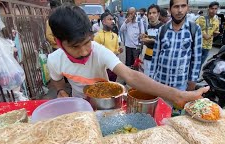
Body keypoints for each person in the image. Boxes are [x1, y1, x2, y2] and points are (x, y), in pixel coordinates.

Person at [47, 3, 209, 108]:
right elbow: (59, 84)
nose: (84, 51)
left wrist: (177, 95)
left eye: (87, 42)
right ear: (59, 42)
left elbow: (131, 76)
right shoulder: (54, 60)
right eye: (75, 46)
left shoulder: (99, 51)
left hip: (106, 105)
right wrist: (62, 93)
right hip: (79, 105)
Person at [149, 0, 203, 92]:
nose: (180, 10)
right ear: (170, 10)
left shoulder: (194, 29)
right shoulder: (163, 29)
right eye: (176, 7)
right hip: (160, 83)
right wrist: (151, 78)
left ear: (187, 8)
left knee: (178, 107)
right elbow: (155, 56)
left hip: (180, 85)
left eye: (183, 6)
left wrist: (192, 81)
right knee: (160, 106)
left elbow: (196, 59)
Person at [94, 12, 123, 81]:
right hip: (103, 69)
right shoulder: (98, 36)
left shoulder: (115, 35)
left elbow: (116, 50)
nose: (112, 21)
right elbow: (95, 54)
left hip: (113, 67)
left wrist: (119, 51)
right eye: (109, 19)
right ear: (103, 22)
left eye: (112, 19)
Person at [141, 4, 163, 76]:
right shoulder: (148, 26)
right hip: (147, 58)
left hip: (158, 61)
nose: (151, 15)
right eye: (149, 13)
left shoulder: (163, 28)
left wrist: (153, 40)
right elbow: (145, 41)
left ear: (158, 14)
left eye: (154, 13)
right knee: (146, 80)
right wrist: (143, 37)